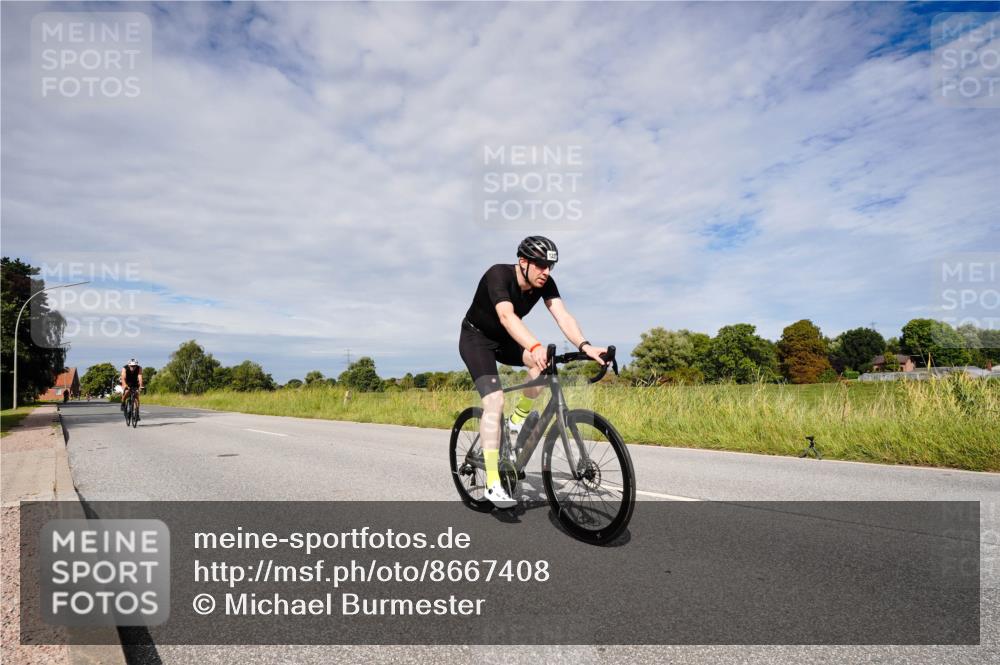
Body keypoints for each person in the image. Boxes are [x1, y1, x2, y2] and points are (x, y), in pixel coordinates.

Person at [459, 236, 607, 508]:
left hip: (504, 341)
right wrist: (535, 344)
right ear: (523, 262)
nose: (546, 272)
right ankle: (493, 482)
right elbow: (506, 316)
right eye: (540, 265)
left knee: (542, 366)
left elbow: (563, 316)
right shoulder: (498, 275)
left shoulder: (545, 283)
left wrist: (585, 346)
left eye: (550, 266)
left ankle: (517, 420)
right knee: (494, 400)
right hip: (476, 339)